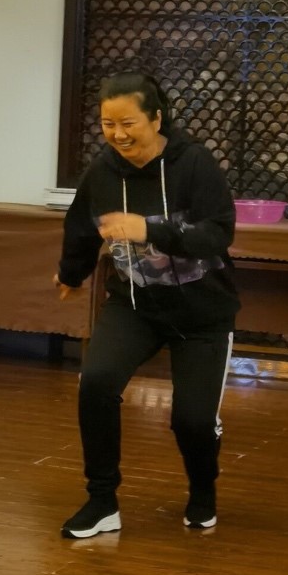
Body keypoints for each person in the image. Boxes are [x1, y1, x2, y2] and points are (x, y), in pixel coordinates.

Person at [55, 72, 239, 539]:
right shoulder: (101, 173)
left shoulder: (194, 164)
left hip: (202, 315)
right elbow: (81, 227)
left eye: (128, 123)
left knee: (192, 421)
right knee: (95, 383)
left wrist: (149, 230)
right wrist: (71, 274)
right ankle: (102, 501)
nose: (117, 134)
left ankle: (202, 490)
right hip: (135, 306)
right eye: (108, 124)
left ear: (157, 119)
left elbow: (218, 234)